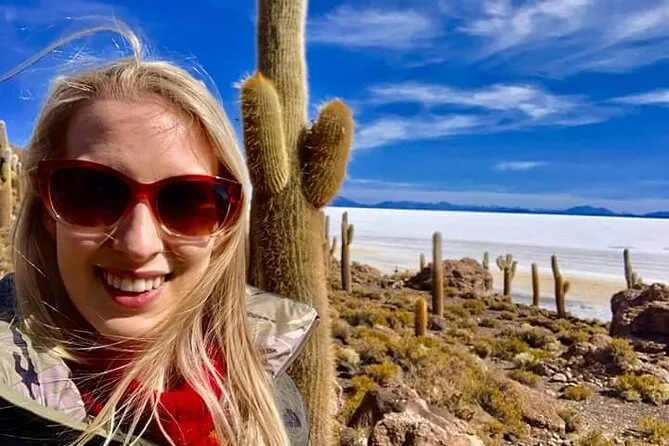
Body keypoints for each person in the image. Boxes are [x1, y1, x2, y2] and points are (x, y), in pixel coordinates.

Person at [0, 22, 317, 446]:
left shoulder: (273, 397)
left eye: (186, 201)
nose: (138, 244)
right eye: (93, 192)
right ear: (46, 211)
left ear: (225, 226)